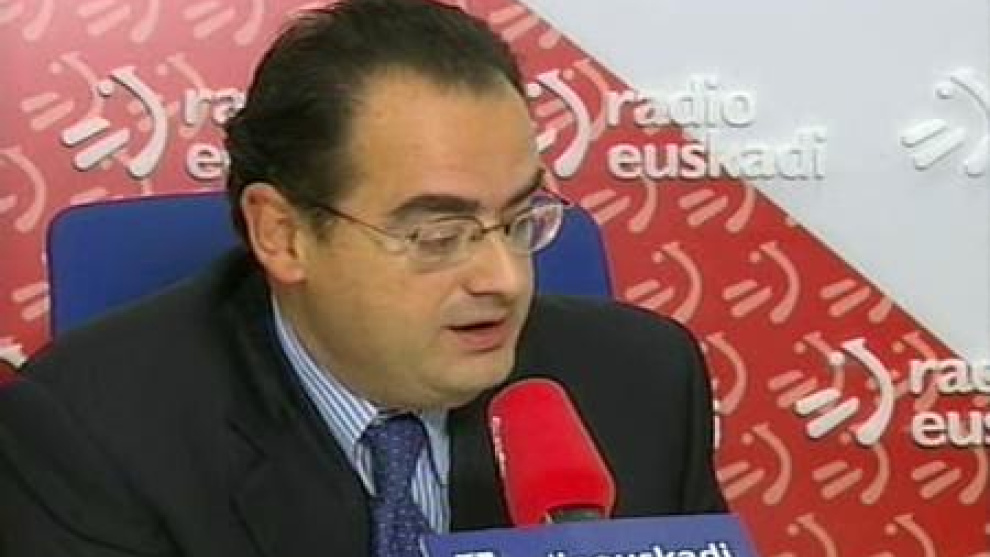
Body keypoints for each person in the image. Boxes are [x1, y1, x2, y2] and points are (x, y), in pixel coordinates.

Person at [0, 0, 726, 555]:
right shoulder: (94, 434)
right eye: (437, 234)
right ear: (282, 234)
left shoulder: (642, 381)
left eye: (518, 219)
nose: (505, 278)